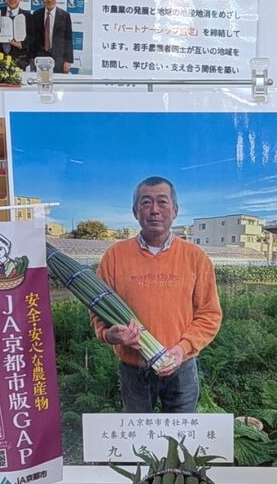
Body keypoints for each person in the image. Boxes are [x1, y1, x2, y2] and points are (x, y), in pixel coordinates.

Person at [92, 176, 222, 413]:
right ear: (135, 211)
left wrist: (183, 348)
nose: (154, 210)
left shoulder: (195, 257)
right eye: (146, 202)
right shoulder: (115, 256)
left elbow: (209, 314)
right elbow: (98, 311)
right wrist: (110, 335)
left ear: (175, 210)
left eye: (162, 202)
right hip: (133, 367)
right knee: (139, 431)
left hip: (181, 365)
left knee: (182, 431)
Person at [30, 0, 73, 74]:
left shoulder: (65, 16)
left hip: (59, 58)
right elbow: (33, 38)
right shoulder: (36, 14)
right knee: (43, 80)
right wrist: (31, 57)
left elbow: (68, 39)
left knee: (57, 82)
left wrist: (68, 60)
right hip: (40, 57)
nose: (49, 0)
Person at [0, 0, 29, 68]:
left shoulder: (27, 15)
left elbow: (31, 36)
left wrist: (21, 44)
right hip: (0, 56)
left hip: (20, 57)